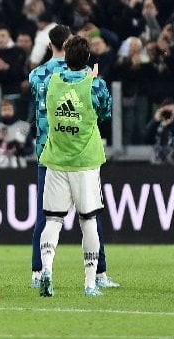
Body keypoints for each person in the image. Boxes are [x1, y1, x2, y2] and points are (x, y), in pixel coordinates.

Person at [27, 25, 118, 289]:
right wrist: (93, 79)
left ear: (51, 45)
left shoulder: (40, 77)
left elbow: (41, 98)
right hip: (82, 156)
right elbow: (104, 113)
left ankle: (40, 271)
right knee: (89, 218)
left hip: (50, 151)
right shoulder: (91, 80)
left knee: (48, 217)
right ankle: (96, 277)